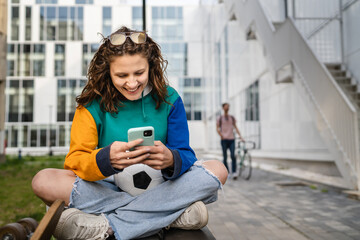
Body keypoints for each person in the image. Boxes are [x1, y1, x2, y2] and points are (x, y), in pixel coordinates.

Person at [31, 26, 228, 240]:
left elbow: (186, 154)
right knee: (43, 181)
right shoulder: (90, 105)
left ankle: (108, 225)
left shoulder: (170, 99)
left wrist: (171, 158)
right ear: (107, 72)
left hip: (161, 186)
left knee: (218, 170)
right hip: (109, 188)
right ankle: (172, 215)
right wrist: (106, 159)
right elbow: (75, 162)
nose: (132, 83)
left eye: (139, 73)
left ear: (151, 67)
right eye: (122, 75)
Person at [216, 103, 244, 179]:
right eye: (226, 106)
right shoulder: (220, 118)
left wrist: (240, 137)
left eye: (228, 106)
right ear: (223, 108)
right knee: (225, 157)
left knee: (232, 155)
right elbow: (217, 128)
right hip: (224, 140)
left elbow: (235, 127)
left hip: (231, 139)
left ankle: (234, 172)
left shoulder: (232, 118)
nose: (227, 108)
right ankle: (227, 172)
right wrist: (221, 135)